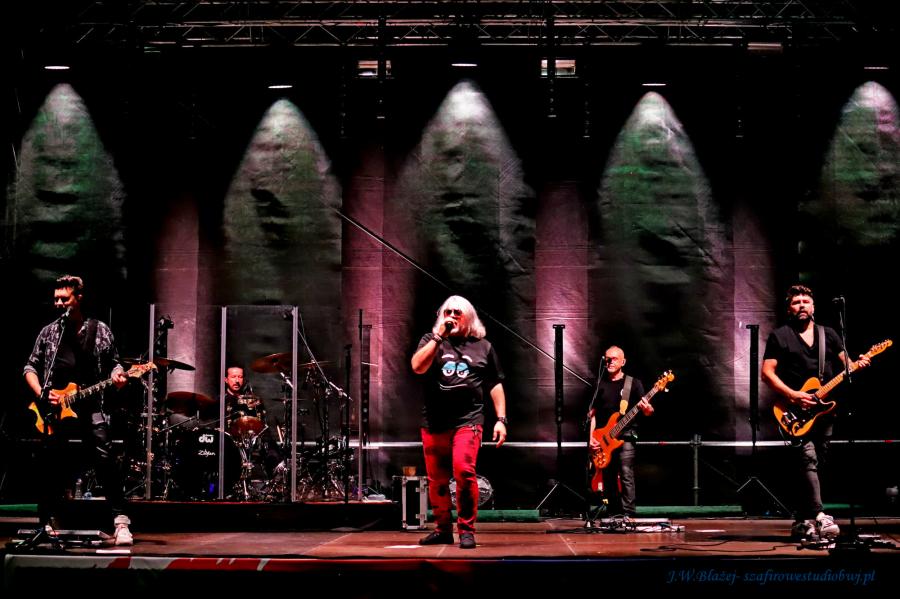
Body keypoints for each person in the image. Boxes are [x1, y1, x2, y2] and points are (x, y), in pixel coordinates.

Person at [23, 275, 133, 545]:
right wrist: (42, 393)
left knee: (105, 457)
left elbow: (115, 363)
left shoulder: (100, 330)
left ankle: (120, 522)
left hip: (90, 405)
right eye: (56, 299)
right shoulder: (49, 332)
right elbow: (30, 367)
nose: (59, 303)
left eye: (65, 299)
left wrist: (118, 375)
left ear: (79, 298)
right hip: (54, 409)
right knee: (49, 463)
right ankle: (46, 521)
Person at [761, 284, 870, 540]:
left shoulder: (828, 334)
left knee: (816, 464)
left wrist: (860, 364)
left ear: (813, 307)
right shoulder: (780, 336)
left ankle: (803, 519)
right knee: (807, 459)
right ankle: (820, 515)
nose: (801, 305)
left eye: (805, 301)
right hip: (793, 410)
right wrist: (793, 395)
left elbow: (848, 366)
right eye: (796, 302)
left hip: (824, 411)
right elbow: (767, 373)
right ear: (789, 308)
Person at [410, 295, 507, 549]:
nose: (451, 316)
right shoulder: (430, 341)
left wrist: (501, 419)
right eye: (447, 312)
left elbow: (494, 384)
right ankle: (443, 529)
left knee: (463, 471)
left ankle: (466, 529)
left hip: (468, 420)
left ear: (468, 318)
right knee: (437, 479)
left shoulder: (483, 347)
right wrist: (438, 337)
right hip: (434, 421)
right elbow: (417, 367)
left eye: (457, 313)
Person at [588, 346, 653, 522]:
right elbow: (592, 415)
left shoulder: (633, 383)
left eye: (614, 358)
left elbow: (648, 411)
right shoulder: (599, 384)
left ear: (623, 362)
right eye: (607, 358)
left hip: (627, 435)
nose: (610, 361)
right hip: (604, 439)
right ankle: (613, 513)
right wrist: (591, 438)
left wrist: (647, 408)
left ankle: (628, 514)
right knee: (608, 476)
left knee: (626, 473)